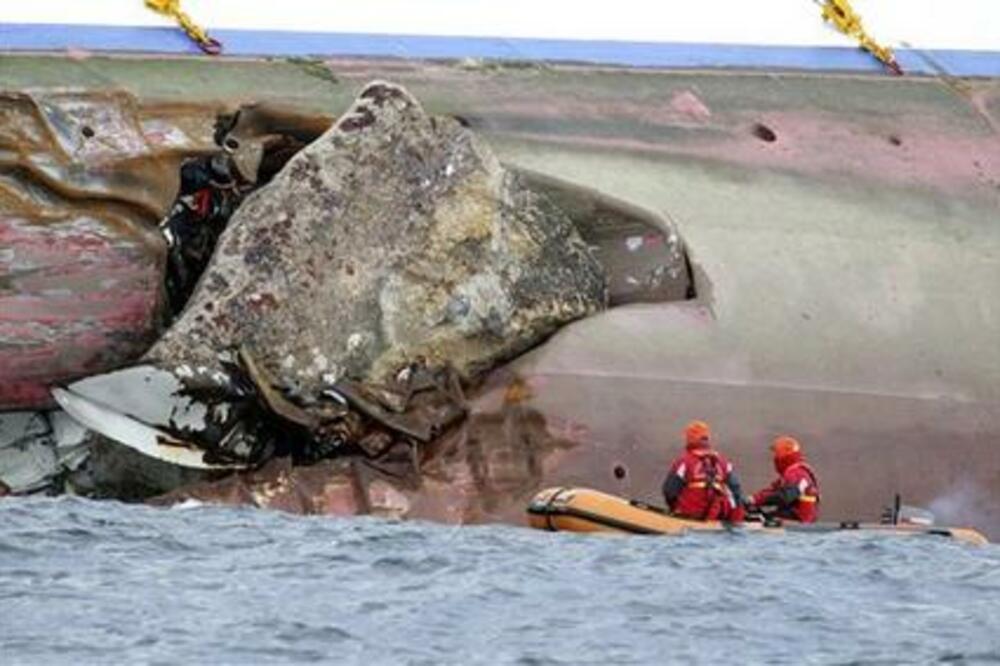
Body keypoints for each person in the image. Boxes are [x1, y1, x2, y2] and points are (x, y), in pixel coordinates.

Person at [662, 420, 745, 522]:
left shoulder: (684, 462)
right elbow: (736, 492)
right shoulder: (724, 463)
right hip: (715, 519)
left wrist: (674, 510)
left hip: (688, 518)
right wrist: (736, 521)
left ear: (689, 439)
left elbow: (669, 491)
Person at [746, 436, 820, 523]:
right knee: (758, 515)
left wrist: (755, 501)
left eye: (776, 454)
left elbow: (786, 496)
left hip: (797, 523)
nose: (774, 458)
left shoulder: (797, 474)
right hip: (795, 519)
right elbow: (772, 490)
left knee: (757, 519)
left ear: (783, 455)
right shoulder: (793, 473)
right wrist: (753, 499)